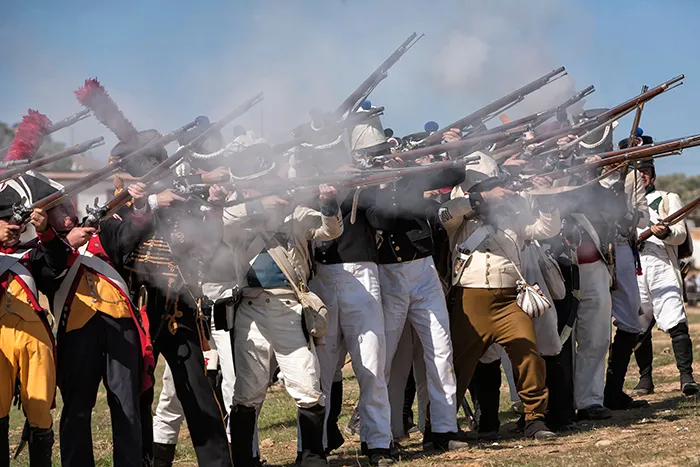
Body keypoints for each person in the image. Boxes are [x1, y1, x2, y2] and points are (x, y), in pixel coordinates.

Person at [438, 152, 558, 440]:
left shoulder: (513, 213)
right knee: (458, 365)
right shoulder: (460, 213)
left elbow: (545, 229)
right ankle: (442, 425)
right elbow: (444, 215)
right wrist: (480, 200)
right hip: (471, 299)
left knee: (529, 354)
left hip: (509, 299)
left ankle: (534, 418)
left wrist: (547, 199)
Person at [222, 181, 342, 467]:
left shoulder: (297, 214)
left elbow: (331, 230)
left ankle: (312, 456)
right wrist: (259, 205)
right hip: (250, 308)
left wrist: (327, 201)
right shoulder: (237, 213)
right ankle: (244, 460)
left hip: (289, 305)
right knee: (247, 392)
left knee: (307, 384)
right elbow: (224, 221)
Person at [50, 183, 154, 467]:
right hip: (76, 328)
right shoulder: (45, 248)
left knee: (126, 404)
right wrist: (66, 243)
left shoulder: (104, 229)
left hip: (119, 325)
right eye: (57, 210)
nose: (66, 213)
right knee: (77, 407)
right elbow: (46, 275)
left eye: (67, 206)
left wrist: (140, 204)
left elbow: (132, 235)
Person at [0, 179, 70, 467]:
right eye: (5, 220)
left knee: (40, 411)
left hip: (35, 340)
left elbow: (57, 265)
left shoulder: (32, 252)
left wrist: (45, 232)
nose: (13, 227)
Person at [632, 159, 699, 396]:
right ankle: (645, 379)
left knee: (675, 320)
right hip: (634, 269)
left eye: (646, 171)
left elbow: (680, 235)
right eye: (637, 171)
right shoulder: (621, 204)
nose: (642, 176)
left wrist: (666, 232)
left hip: (661, 264)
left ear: (653, 174)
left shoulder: (668, 197)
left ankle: (686, 377)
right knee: (638, 326)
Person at [603, 134, 651, 411]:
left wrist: (629, 214)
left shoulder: (631, 176)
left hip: (621, 247)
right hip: (590, 250)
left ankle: (613, 389)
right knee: (591, 327)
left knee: (631, 317)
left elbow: (643, 214)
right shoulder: (582, 172)